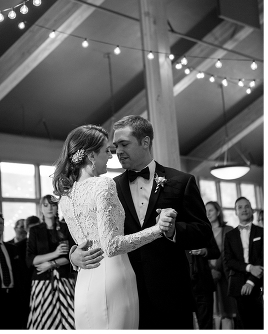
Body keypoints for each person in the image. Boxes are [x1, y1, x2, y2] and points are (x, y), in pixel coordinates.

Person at [69, 115, 213, 329]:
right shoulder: (107, 186)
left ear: (145, 142)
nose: (117, 151)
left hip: (171, 295)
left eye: (124, 144)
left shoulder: (181, 181)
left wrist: (173, 230)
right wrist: (74, 255)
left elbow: (203, 233)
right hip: (123, 294)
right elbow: (82, 229)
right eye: (115, 146)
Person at [57, 124, 177, 328]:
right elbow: (111, 246)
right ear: (91, 156)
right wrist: (158, 230)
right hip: (113, 276)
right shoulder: (103, 184)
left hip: (85, 281)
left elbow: (86, 238)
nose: (111, 156)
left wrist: (75, 255)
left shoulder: (66, 196)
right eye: (106, 151)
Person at [27, 195, 76, 329]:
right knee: (43, 321)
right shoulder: (34, 230)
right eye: (46, 205)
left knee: (71, 320)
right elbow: (31, 259)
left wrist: (51, 264)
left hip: (64, 280)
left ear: (57, 207)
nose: (49, 208)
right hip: (41, 282)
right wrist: (55, 254)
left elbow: (71, 256)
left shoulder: (66, 228)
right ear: (41, 209)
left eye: (53, 205)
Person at [223, 196, 263, 329]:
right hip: (237, 284)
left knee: (259, 321)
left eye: (247, 206)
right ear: (235, 212)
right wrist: (250, 268)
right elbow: (229, 261)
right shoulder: (229, 235)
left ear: (252, 210)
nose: (244, 210)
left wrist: (251, 281)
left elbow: (263, 257)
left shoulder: (262, 232)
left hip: (258, 281)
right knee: (242, 324)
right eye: (240, 207)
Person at [206, 200, 236, 328]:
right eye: (205, 211)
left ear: (218, 212)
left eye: (211, 210)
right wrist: (209, 271)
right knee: (211, 315)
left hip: (225, 278)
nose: (207, 213)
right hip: (207, 278)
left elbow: (234, 254)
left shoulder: (229, 230)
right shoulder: (203, 232)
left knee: (227, 314)